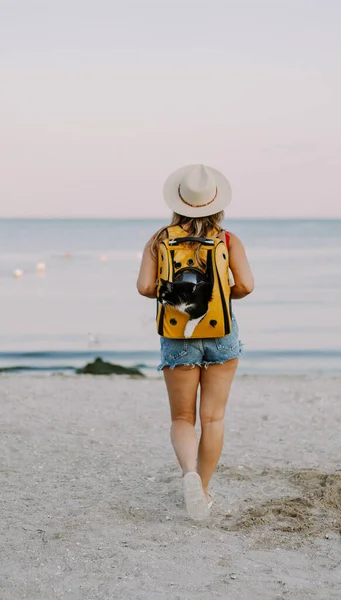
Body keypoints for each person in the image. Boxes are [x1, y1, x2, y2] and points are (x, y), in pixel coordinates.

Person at [137, 164, 254, 520]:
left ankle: (189, 472)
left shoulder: (159, 240)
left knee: (183, 418)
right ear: (216, 203)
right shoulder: (228, 240)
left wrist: (178, 298)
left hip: (177, 335)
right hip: (221, 332)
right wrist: (218, 297)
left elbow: (144, 287)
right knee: (213, 418)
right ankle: (201, 490)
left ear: (179, 202)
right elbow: (246, 285)